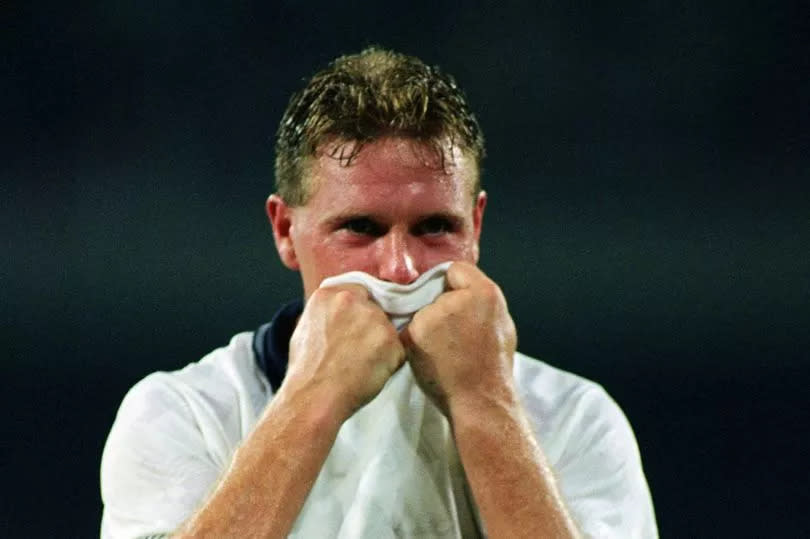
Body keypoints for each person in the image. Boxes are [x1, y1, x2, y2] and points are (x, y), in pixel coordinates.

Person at [100, 47, 657, 538]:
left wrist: (484, 403)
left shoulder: (578, 420)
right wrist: (312, 399)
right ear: (285, 231)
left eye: (435, 226)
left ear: (476, 227)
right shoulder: (183, 415)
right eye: (361, 229)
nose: (400, 269)